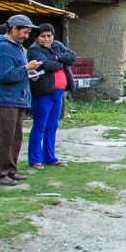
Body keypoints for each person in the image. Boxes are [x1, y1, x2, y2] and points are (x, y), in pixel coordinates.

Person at [0, 14, 40, 186]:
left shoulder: (16, 46)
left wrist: (29, 73)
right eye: (24, 32)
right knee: (3, 138)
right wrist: (26, 68)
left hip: (17, 100)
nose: (26, 36)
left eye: (28, 32)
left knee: (14, 138)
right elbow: (4, 75)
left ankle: (10, 170)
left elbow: (16, 71)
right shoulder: (3, 48)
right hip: (5, 100)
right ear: (13, 29)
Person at [26, 25, 77, 169]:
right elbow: (46, 65)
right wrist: (61, 61)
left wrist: (56, 57)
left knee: (52, 126)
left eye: (49, 36)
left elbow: (71, 57)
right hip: (43, 93)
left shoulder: (58, 46)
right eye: (43, 36)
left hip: (58, 93)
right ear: (37, 37)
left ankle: (50, 157)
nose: (46, 39)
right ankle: (35, 159)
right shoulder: (34, 50)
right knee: (40, 125)